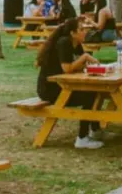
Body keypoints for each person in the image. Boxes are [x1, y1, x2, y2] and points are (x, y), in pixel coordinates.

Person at [35, 19, 103, 149]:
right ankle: (82, 139)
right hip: (50, 89)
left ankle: (95, 130)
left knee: (96, 91)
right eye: (81, 29)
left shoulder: (77, 43)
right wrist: (85, 57)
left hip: (62, 85)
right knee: (90, 95)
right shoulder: (64, 42)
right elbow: (67, 68)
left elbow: (77, 66)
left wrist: (85, 64)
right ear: (73, 33)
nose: (85, 32)